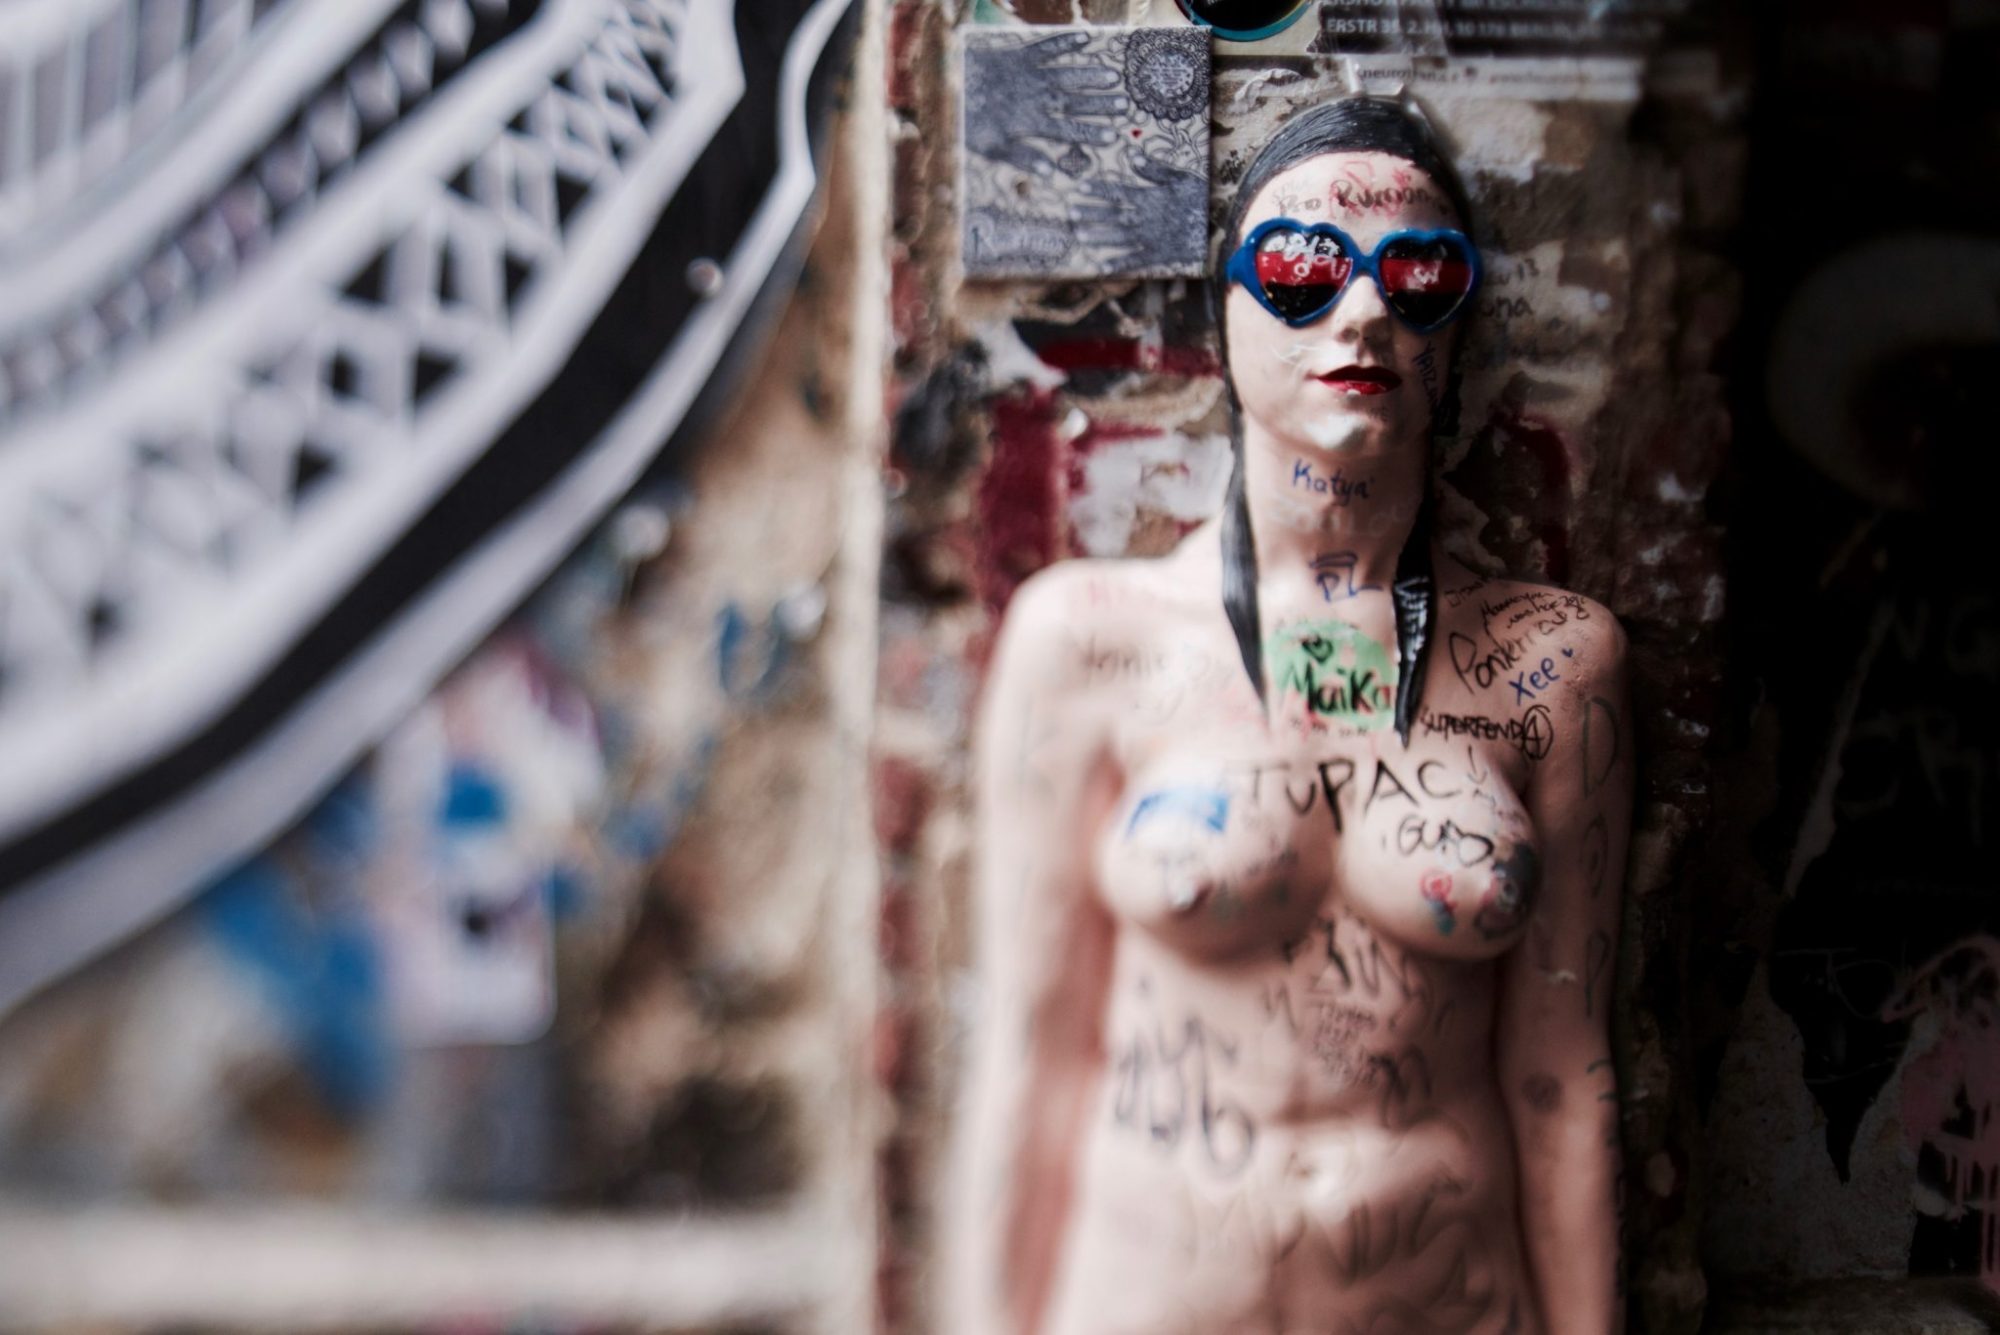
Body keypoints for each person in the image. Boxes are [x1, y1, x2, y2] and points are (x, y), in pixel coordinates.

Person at [948, 97, 1633, 1335]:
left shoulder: (1551, 667)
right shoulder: (1088, 642)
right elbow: (1029, 1058)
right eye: (1302, 271)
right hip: (1155, 1297)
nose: (1361, 310)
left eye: (1417, 277)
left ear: (1455, 332)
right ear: (1226, 317)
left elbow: (1560, 1078)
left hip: (1440, 1299)